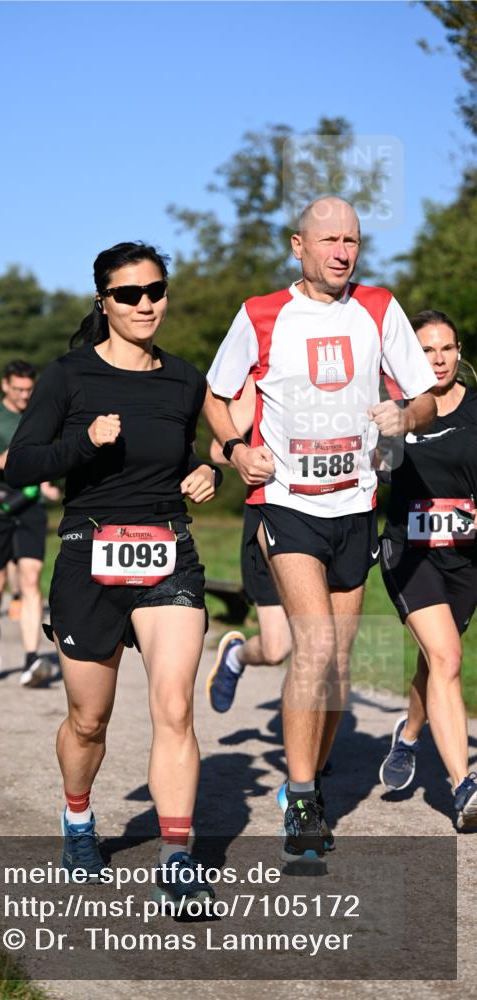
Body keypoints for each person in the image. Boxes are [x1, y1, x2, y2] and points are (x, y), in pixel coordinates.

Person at [203, 197, 438, 862]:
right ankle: (303, 796)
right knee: (310, 649)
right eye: (329, 240)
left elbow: (421, 395)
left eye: (352, 241)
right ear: (296, 246)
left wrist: (404, 416)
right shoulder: (259, 314)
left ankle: (298, 786)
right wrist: (232, 451)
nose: (342, 252)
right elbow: (217, 397)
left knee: (334, 664)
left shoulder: (379, 307)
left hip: (354, 506)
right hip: (286, 504)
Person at [5, 242, 220, 909]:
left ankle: (177, 857)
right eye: (128, 294)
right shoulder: (67, 376)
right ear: (103, 301)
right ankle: (77, 819)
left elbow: (178, 454)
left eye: (155, 290)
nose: (145, 304)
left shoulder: (183, 380)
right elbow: (19, 465)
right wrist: (82, 444)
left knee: (174, 707)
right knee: (89, 720)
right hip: (88, 554)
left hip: (167, 551)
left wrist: (204, 471)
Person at [378, 310, 477, 830]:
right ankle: (464, 787)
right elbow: (371, 471)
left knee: (440, 663)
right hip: (407, 551)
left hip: (464, 557)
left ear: (459, 353)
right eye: (426, 351)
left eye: (446, 348)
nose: (437, 359)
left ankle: (410, 735)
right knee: (446, 654)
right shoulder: (398, 412)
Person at [0, 361, 60, 685]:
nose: (23, 396)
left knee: (30, 580)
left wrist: (49, 483)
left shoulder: (42, 415)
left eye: (28, 390)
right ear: (5, 386)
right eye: (17, 390)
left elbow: (51, 455)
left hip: (31, 507)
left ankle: (31, 659)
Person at [206, 372, 292, 712]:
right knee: (275, 649)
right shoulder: (263, 377)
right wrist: (249, 458)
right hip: (270, 517)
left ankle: (313, 751)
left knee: (320, 645)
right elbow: (217, 449)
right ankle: (236, 656)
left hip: (330, 518)